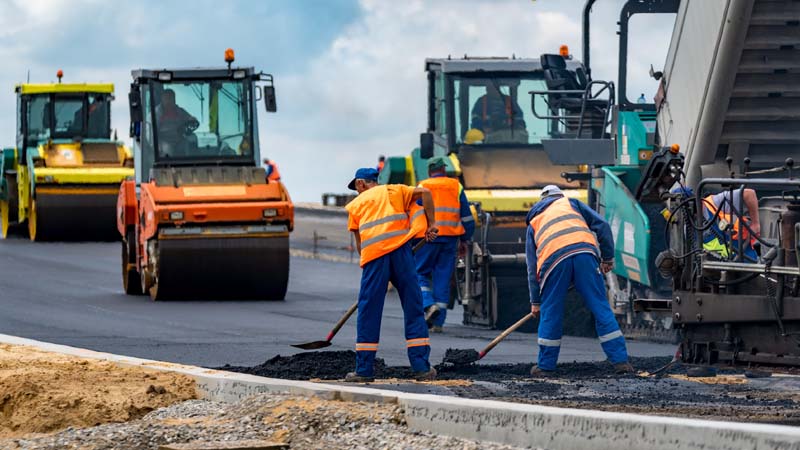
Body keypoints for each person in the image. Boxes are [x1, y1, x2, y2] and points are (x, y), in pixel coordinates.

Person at [343, 167, 439, 382]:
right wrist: (432, 223)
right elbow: (425, 193)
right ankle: (422, 367)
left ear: (361, 184)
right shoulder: (394, 191)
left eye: (357, 188)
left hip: (375, 258)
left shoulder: (356, 205)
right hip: (402, 253)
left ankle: (364, 370)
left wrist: (373, 270)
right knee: (414, 307)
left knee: (369, 310)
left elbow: (360, 245)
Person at [526, 185, 633, 376]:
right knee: (601, 307)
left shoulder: (534, 221)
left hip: (553, 262)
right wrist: (607, 258)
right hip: (585, 254)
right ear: (559, 196)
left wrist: (536, 301)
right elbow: (603, 226)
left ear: (541, 201)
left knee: (551, 312)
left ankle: (545, 367)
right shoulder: (572, 203)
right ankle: (621, 362)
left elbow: (532, 266)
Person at [414, 156, 475, 333]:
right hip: (450, 239)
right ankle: (438, 323)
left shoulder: (422, 186)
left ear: (429, 171)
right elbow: (467, 217)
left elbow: (415, 211)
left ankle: (428, 304)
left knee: (418, 273)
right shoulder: (456, 186)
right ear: (444, 169)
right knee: (443, 279)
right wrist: (465, 239)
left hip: (427, 238)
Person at [699, 188, 760, 261]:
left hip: (744, 261)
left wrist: (755, 224)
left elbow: (749, 194)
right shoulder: (687, 224)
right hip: (714, 267)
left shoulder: (715, 202)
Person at [155, 89, 198, 156]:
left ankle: (192, 164)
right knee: (168, 149)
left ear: (174, 100)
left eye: (171, 98)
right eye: (166, 98)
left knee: (192, 140)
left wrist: (192, 119)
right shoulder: (156, 113)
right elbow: (152, 133)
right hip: (163, 140)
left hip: (178, 139)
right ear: (162, 100)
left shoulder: (179, 111)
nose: (168, 101)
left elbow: (189, 118)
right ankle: (167, 165)